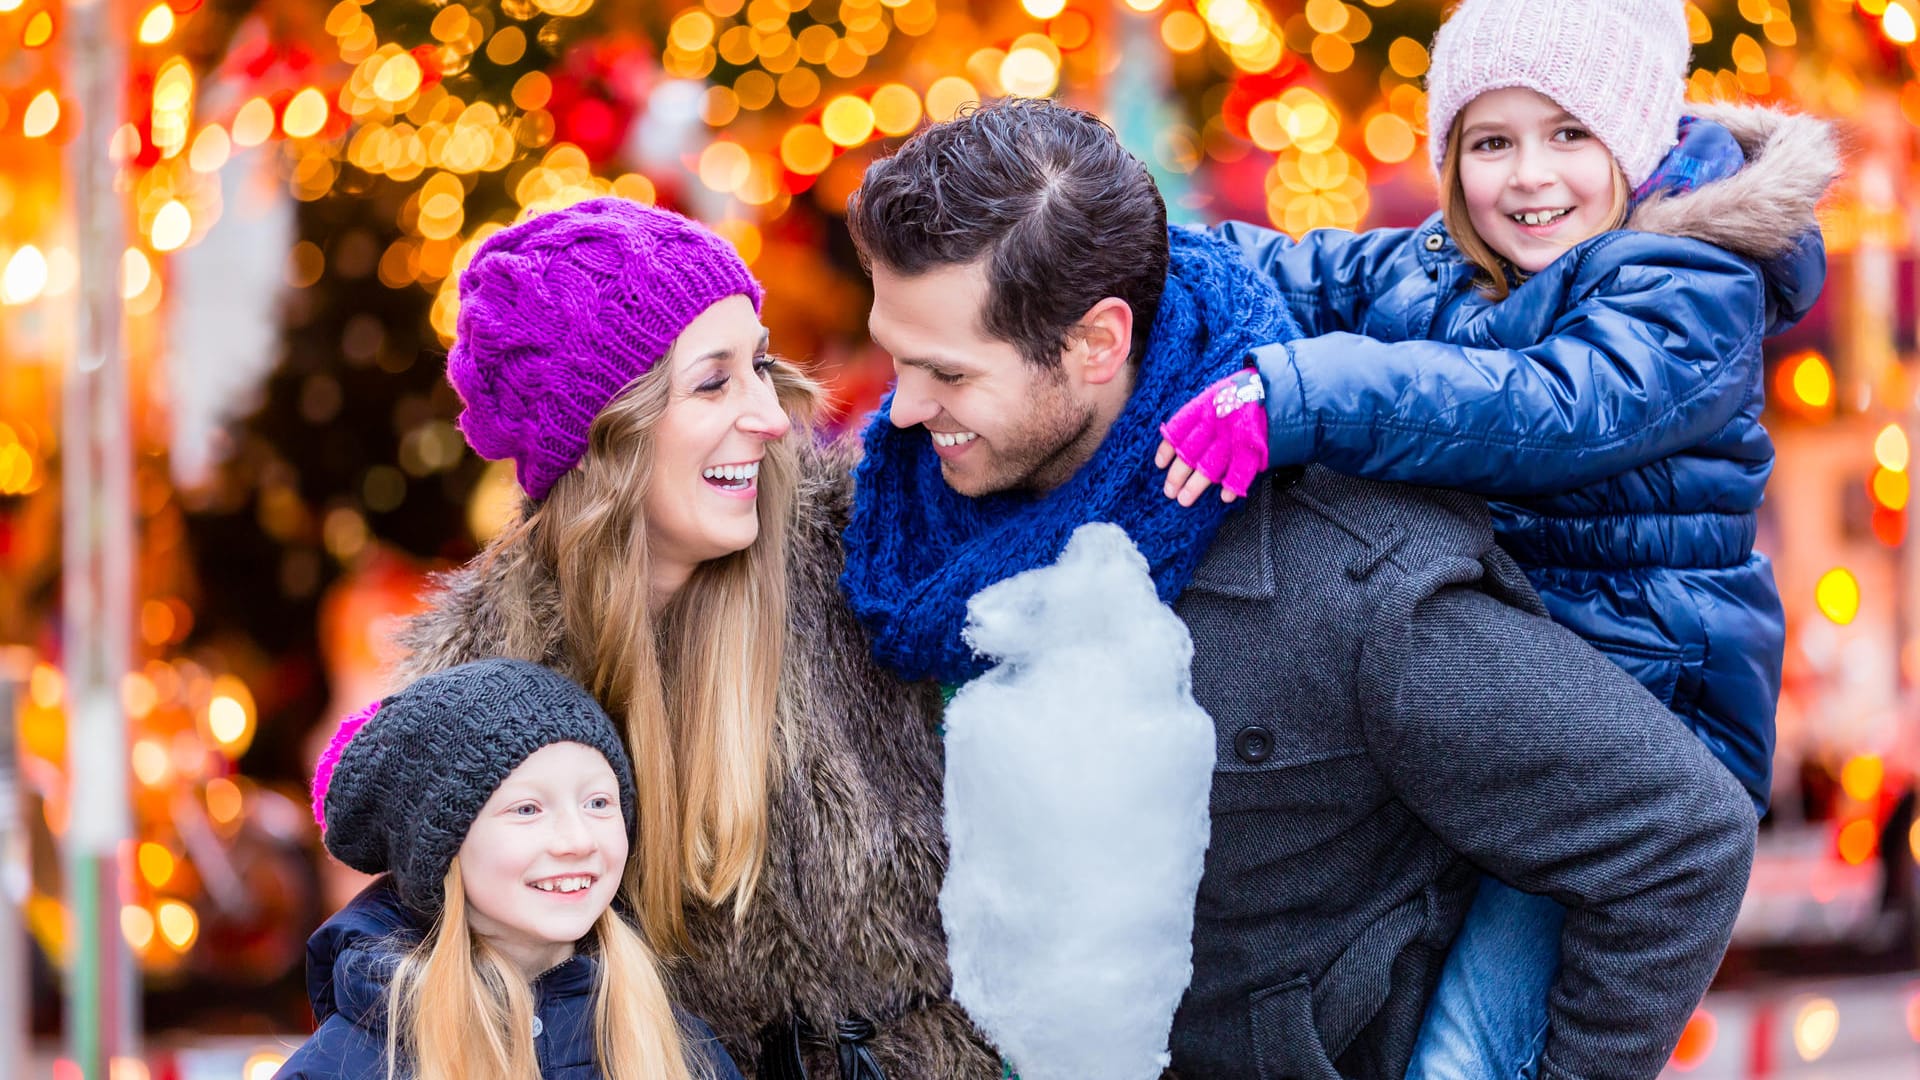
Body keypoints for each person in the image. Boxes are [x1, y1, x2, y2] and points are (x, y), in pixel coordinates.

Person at [841, 96, 1756, 1080]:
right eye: (898, 356)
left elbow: (1682, 839)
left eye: (947, 372)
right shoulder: (889, 536)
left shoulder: (1358, 586)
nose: (904, 408)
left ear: (1099, 344)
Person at [1152, 0, 1836, 1072]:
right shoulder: (1444, 264)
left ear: (1640, 140)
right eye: (1491, 141)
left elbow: (1543, 407)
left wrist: (1301, 395)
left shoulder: (1693, 288)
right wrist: (1124, 247)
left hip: (1640, 718)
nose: (1529, 176)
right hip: (1494, 704)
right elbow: (1302, 272)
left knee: (1471, 1047)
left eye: (1570, 134)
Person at [391, 198, 1000, 1079]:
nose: (768, 415)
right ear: (607, 440)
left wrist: (1277, 398)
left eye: (760, 366)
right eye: (714, 382)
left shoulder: (876, 551)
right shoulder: (487, 683)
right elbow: (425, 967)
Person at [277, 657, 743, 1080]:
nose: (577, 840)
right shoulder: (347, 1065)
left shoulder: (675, 1047)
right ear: (445, 849)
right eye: (527, 809)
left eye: (598, 802)